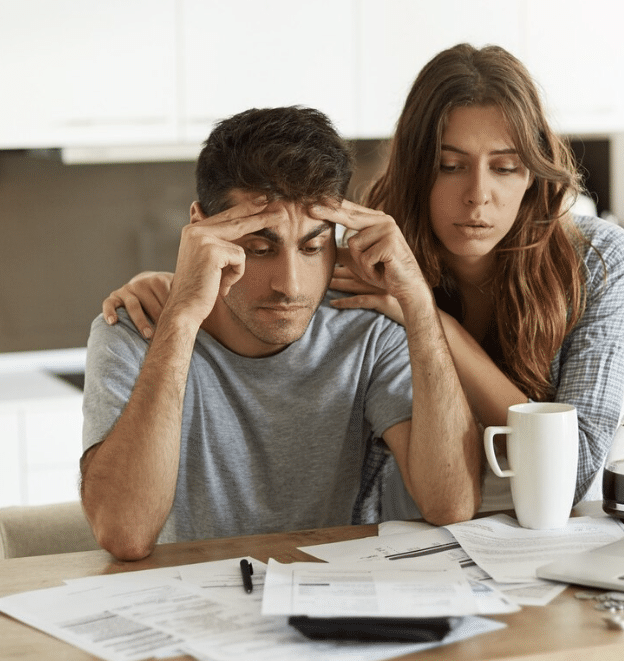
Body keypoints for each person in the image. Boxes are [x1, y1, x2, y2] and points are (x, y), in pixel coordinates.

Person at [103, 44, 624, 516]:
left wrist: (427, 317)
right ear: (415, 166)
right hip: (410, 535)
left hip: (545, 525)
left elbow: (574, 471)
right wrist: (176, 290)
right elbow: (280, 265)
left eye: (504, 166)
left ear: (533, 171)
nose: (478, 195)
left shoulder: (599, 261)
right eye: (450, 165)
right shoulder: (367, 251)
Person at [80, 105, 480, 561]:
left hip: (338, 606)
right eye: (259, 247)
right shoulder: (137, 330)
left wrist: (419, 304)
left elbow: (452, 505)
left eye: (313, 246)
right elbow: (125, 533)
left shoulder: (367, 331)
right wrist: (182, 319)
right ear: (199, 229)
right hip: (192, 612)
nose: (290, 285)